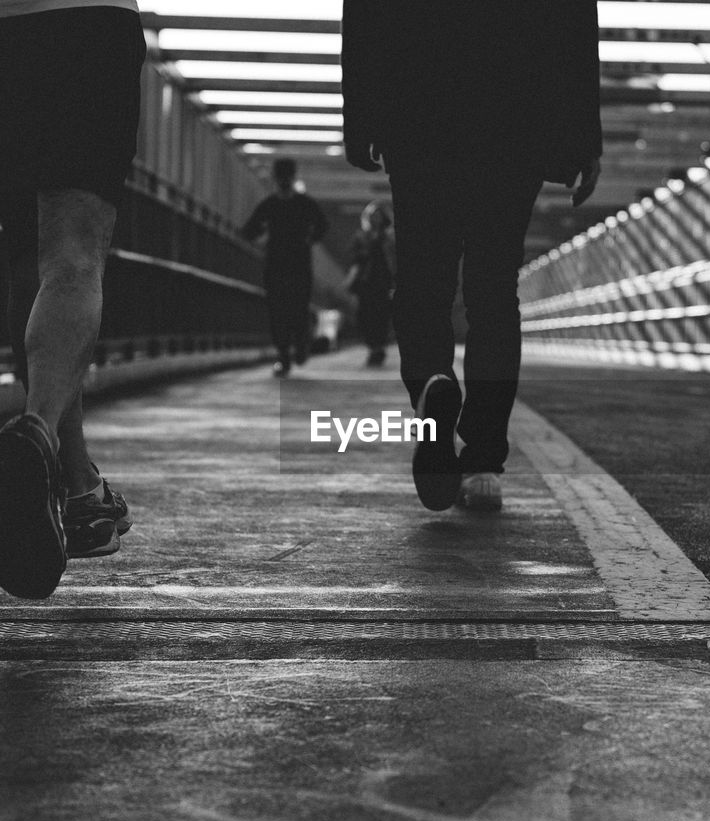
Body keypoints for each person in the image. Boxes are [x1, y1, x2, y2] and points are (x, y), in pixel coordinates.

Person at [0, 1, 144, 598]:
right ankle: (37, 432)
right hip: (81, 17)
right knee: (71, 255)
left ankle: (79, 490)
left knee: (27, 253)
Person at [341, 1, 603, 512]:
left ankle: (430, 388)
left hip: (418, 110)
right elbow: (574, 19)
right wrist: (582, 138)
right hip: (516, 116)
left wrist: (360, 117)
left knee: (422, 280)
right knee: (494, 289)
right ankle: (483, 458)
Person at [241, 158, 330, 378]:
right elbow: (323, 226)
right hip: (295, 264)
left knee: (283, 310)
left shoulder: (270, 204)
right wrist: (310, 238)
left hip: (279, 265)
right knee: (291, 310)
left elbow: (248, 231)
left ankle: (289, 353)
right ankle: (293, 350)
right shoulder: (304, 203)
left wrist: (261, 235)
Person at [346, 200, 395, 367]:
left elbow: (395, 259)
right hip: (366, 281)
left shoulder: (390, 237)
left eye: (379, 216)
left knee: (382, 315)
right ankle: (373, 346)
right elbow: (353, 257)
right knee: (365, 315)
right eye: (373, 216)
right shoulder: (361, 236)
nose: (376, 219)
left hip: (384, 281)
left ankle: (378, 347)